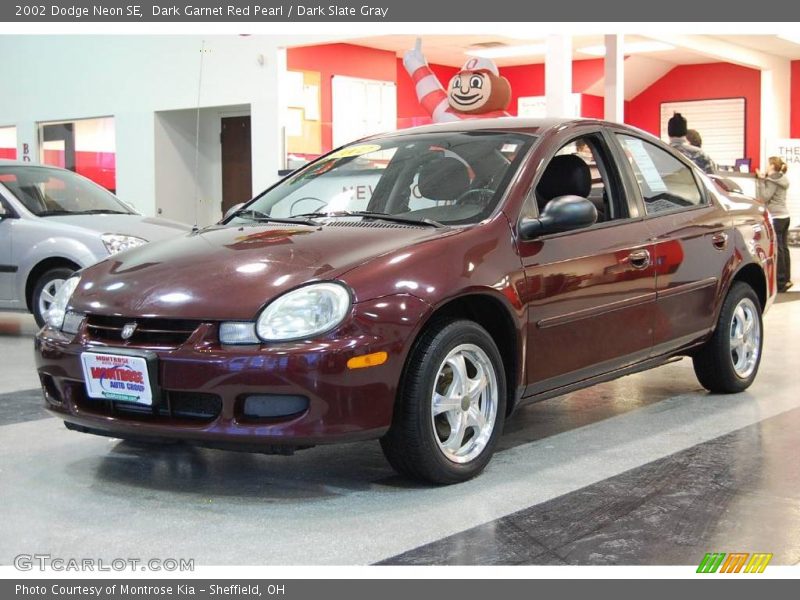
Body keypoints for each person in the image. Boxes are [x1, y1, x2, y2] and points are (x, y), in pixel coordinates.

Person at [757, 156, 792, 292]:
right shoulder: (782, 179)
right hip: (785, 216)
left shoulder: (772, 181)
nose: (766, 166)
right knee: (784, 248)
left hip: (776, 217)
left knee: (779, 249)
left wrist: (760, 180)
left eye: (767, 164)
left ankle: (781, 282)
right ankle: (786, 279)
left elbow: (764, 197)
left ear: (772, 166)